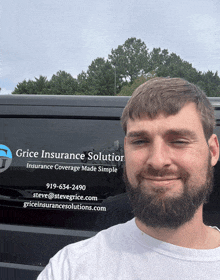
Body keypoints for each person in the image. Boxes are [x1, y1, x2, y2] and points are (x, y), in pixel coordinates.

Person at [37, 77, 220, 279]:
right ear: (125, 148)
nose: (157, 161)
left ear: (212, 151)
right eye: (140, 141)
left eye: (178, 141)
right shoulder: (70, 268)